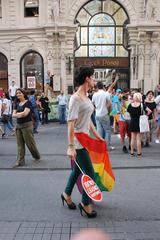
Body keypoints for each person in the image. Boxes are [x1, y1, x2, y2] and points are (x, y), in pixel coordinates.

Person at [61, 67, 104, 218]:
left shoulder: (87, 97)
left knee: (78, 171)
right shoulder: (76, 98)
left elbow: (88, 121)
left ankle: (66, 194)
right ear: (87, 79)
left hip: (85, 139)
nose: (94, 80)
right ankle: (85, 203)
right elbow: (70, 123)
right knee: (89, 173)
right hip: (77, 141)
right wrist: (70, 146)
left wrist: (98, 136)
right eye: (93, 77)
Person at [12, 88, 40, 167]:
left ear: (23, 94)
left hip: (27, 126)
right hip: (18, 126)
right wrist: (20, 114)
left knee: (30, 144)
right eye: (17, 93)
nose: (18, 94)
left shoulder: (28, 103)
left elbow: (25, 114)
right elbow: (13, 114)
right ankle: (20, 161)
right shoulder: (16, 103)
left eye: (20, 93)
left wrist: (18, 114)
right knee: (20, 145)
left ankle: (36, 155)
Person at [92, 81, 114, 150]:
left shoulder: (94, 95)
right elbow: (110, 104)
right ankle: (107, 146)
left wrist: (96, 109)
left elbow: (92, 104)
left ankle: (99, 146)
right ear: (103, 86)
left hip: (97, 114)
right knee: (107, 130)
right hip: (104, 113)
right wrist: (108, 110)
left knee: (99, 130)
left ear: (97, 87)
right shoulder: (105, 94)